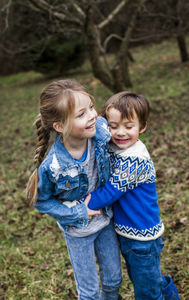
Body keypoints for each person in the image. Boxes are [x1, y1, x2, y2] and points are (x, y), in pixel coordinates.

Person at [26, 79, 122, 300]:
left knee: (113, 280)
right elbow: (42, 201)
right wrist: (77, 213)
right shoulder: (53, 166)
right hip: (78, 231)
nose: (92, 115)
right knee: (89, 292)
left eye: (91, 107)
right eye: (81, 114)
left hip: (105, 220)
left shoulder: (99, 132)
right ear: (59, 126)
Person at [87, 91, 180, 300]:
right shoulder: (116, 146)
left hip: (142, 238)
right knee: (149, 280)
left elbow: (112, 190)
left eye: (129, 127)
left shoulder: (135, 158)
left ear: (142, 126)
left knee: (147, 292)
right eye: (113, 126)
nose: (120, 132)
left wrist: (86, 203)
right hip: (130, 234)